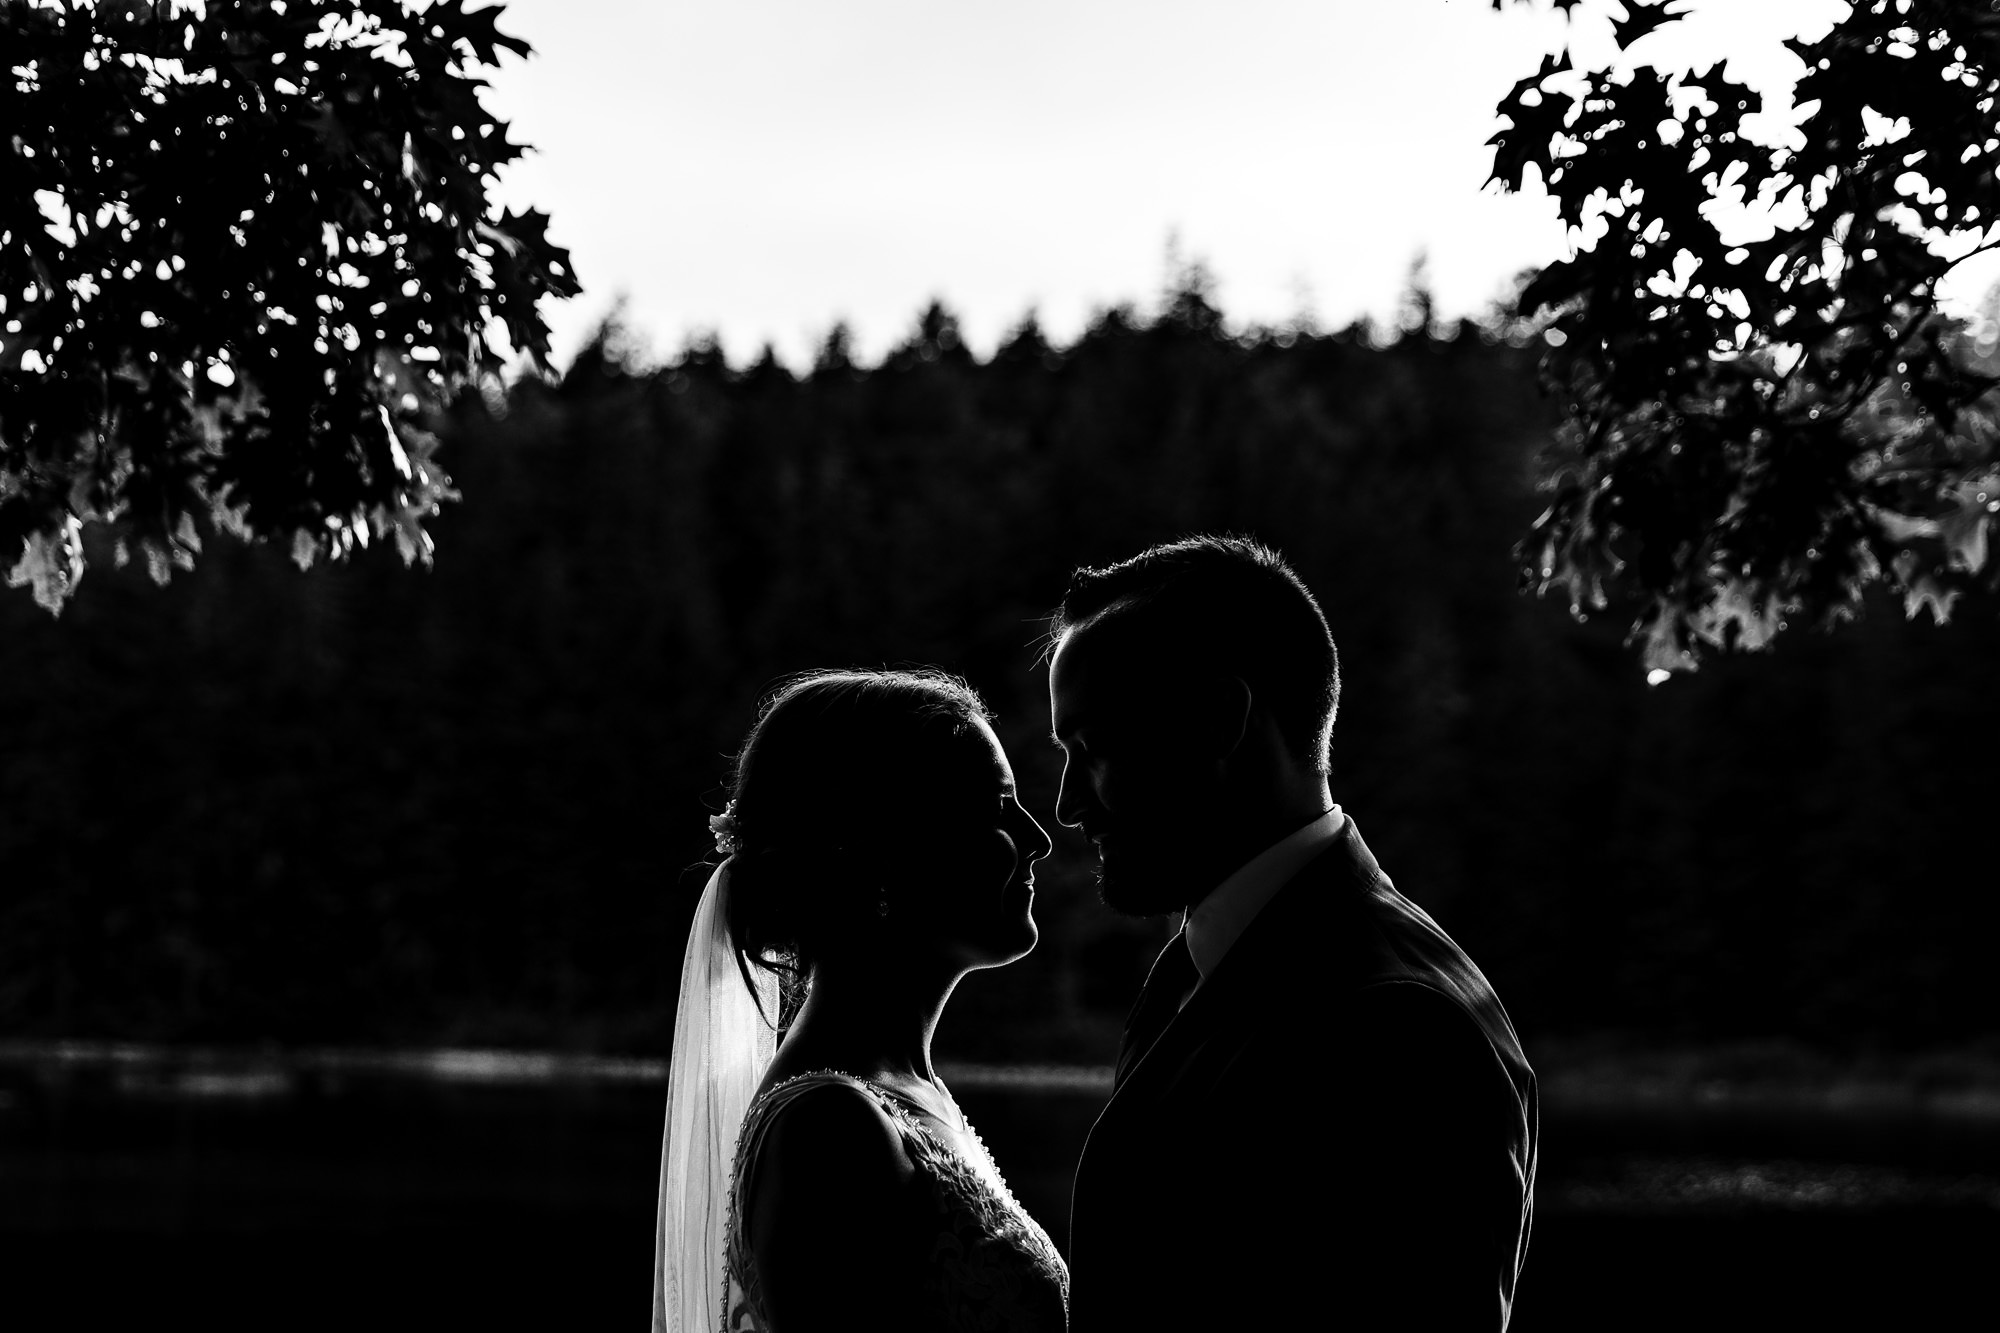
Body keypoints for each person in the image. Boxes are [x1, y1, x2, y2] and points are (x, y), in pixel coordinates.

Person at [1048, 535, 1538, 1331]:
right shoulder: (1201, 967)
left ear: (1218, 723)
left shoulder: (1400, 1027)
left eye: (1095, 748)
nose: (1070, 804)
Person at [651, 668, 1067, 1333]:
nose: (1038, 838)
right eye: (996, 808)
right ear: (888, 849)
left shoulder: (904, 1093)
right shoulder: (829, 1128)